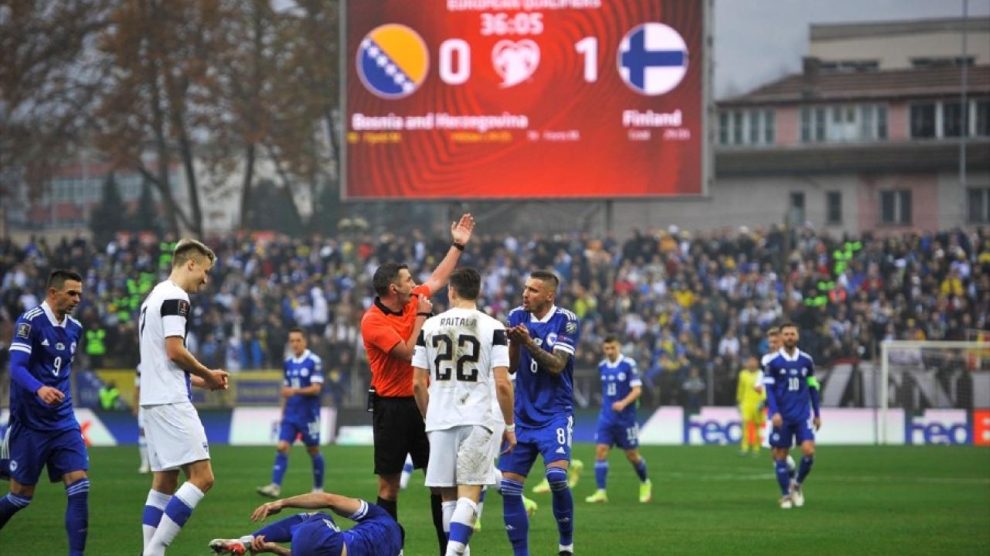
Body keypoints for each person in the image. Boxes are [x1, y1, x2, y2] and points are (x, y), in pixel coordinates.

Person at [360, 213, 475, 555]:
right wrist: (423, 317)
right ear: (393, 289)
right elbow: (410, 353)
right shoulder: (373, 321)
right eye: (408, 280)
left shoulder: (412, 299)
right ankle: (390, 549)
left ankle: (446, 551)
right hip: (391, 408)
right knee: (389, 486)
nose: (416, 284)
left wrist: (457, 245)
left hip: (425, 404)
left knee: (440, 483)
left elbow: (439, 278)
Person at [412, 267, 516, 556]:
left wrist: (428, 418)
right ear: (478, 292)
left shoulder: (429, 327)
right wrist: (509, 426)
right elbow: (502, 383)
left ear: (451, 291)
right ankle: (453, 553)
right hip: (477, 418)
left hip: (439, 419)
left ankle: (453, 551)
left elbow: (418, 384)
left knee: (448, 499)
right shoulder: (493, 327)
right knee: (469, 494)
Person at [138, 239, 229, 555]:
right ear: (191, 263)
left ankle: (148, 550)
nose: (205, 280)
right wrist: (207, 373)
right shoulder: (177, 297)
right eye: (204, 271)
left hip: (153, 399)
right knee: (203, 477)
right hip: (170, 400)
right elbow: (174, 351)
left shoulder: (154, 296)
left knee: (164, 481)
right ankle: (155, 551)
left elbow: (163, 361)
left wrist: (204, 381)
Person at [0, 270, 88, 556]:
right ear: (53, 293)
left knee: (79, 486)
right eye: (71, 293)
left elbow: (61, 370)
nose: (77, 299)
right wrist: (39, 389)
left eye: (79, 294)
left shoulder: (75, 328)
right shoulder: (30, 321)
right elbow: (16, 368)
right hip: (30, 423)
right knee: (21, 496)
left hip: (63, 421)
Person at [499, 270, 581, 556]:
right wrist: (514, 343)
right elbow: (511, 367)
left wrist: (528, 342)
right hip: (522, 415)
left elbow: (557, 365)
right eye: (525, 288)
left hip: (554, 413)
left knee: (557, 478)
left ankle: (566, 545)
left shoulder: (566, 320)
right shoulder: (516, 316)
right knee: (509, 488)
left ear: (549, 295)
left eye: (533, 290)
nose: (525, 294)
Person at [208, 490, 403, 556]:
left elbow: (329, 499)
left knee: (321, 515)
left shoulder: (382, 518)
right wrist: (274, 549)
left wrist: (281, 503)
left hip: (329, 543)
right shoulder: (392, 551)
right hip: (323, 550)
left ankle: (246, 541)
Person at [257, 328, 325, 498]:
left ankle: (318, 488)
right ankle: (275, 486)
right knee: (282, 447)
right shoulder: (288, 362)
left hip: (309, 414)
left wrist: (295, 391)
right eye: (292, 341)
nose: (295, 344)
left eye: (298, 340)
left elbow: (316, 388)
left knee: (313, 450)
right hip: (291, 414)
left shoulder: (314, 361)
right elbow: (286, 391)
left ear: (305, 341)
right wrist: (282, 414)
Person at [584, 336, 652, 504]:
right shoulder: (602, 366)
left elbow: (637, 390)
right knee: (601, 451)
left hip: (625, 419)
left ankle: (645, 482)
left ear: (619, 347)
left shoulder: (628, 364)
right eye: (606, 348)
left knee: (632, 455)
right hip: (606, 417)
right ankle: (601, 492)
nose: (609, 351)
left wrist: (623, 403)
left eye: (612, 348)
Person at [762, 323, 821, 509]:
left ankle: (796, 484)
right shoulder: (773, 363)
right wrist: (774, 412)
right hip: (783, 416)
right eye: (786, 334)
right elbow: (769, 390)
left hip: (802, 415)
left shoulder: (806, 361)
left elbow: (812, 387)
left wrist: (817, 413)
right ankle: (786, 495)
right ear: (782, 337)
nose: (789, 337)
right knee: (779, 455)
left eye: (792, 334)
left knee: (809, 451)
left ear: (797, 336)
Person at [736, 355, 766, 456]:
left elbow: (764, 388)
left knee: (757, 426)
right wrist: (739, 401)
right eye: (750, 361)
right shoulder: (743, 374)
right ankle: (744, 447)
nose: (752, 364)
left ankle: (756, 448)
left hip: (758, 403)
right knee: (745, 425)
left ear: (757, 363)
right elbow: (741, 388)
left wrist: (763, 401)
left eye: (754, 361)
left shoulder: (761, 374)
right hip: (746, 403)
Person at [135, 364, 150, 473]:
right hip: (144, 405)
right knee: (142, 433)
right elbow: (137, 387)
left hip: (161, 405)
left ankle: (161, 463)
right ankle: (145, 463)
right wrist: (135, 405)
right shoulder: (140, 367)